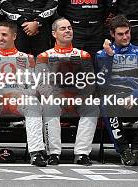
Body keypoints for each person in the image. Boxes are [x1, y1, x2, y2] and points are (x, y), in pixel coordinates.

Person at [0, 21, 50, 167]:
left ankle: (36, 154)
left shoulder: (28, 59)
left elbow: (35, 87)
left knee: (34, 104)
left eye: (4, 35)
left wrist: (24, 94)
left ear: (14, 36)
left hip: (20, 101)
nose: (0, 38)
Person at [95, 16, 138, 166]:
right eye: (120, 34)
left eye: (127, 32)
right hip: (113, 98)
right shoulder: (101, 54)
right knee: (106, 103)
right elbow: (101, 84)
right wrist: (110, 57)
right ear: (112, 34)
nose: (125, 37)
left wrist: (133, 95)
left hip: (135, 96)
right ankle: (124, 150)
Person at [35, 18, 99, 166]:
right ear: (54, 33)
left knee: (92, 107)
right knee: (50, 106)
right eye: (63, 28)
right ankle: (53, 153)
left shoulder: (84, 55)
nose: (67, 31)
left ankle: (82, 153)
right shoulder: (44, 56)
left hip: (77, 99)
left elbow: (90, 81)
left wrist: (82, 97)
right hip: (55, 99)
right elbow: (41, 83)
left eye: (69, 28)